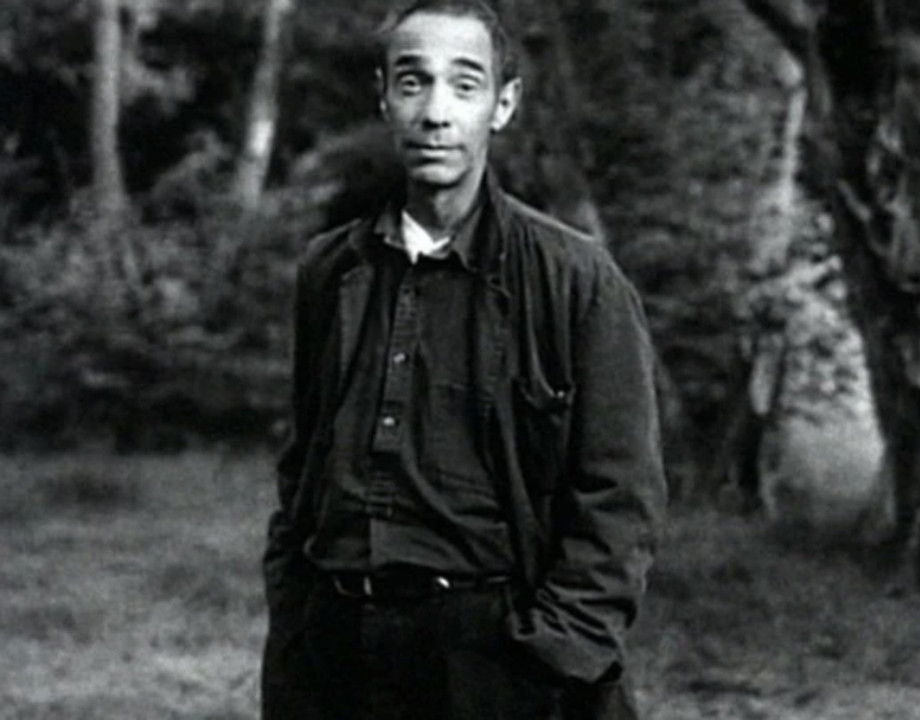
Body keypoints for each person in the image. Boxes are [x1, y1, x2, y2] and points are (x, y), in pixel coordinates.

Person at [259, 2, 666, 718]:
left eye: (465, 84)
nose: (436, 113)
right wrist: (294, 610)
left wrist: (553, 656)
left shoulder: (575, 278)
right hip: (334, 655)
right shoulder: (331, 270)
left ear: (502, 105)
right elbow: (304, 465)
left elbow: (620, 496)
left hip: (494, 659)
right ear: (384, 97)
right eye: (413, 82)